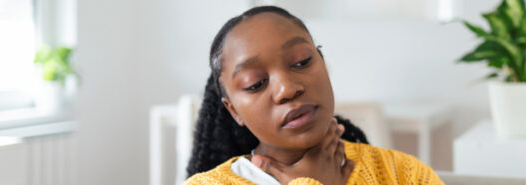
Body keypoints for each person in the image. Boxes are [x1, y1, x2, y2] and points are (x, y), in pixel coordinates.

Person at [184, 6, 444, 185]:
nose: (287, 89)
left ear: (322, 61)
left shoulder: (403, 174)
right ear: (234, 111)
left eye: (301, 62)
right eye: (256, 84)